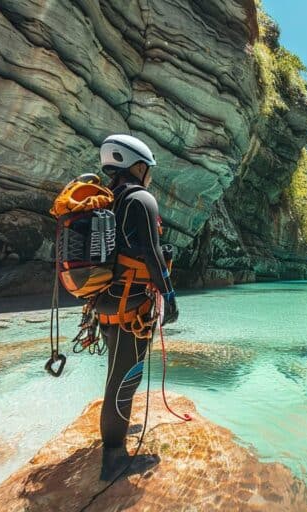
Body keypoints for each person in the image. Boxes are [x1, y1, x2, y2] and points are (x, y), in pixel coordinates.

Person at [94, 134, 179, 474]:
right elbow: (152, 253)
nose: (150, 177)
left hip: (104, 302)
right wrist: (169, 296)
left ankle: (113, 436)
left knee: (116, 372)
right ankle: (113, 459)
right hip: (130, 305)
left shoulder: (107, 199)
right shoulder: (141, 199)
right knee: (125, 379)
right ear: (139, 166)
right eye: (149, 170)